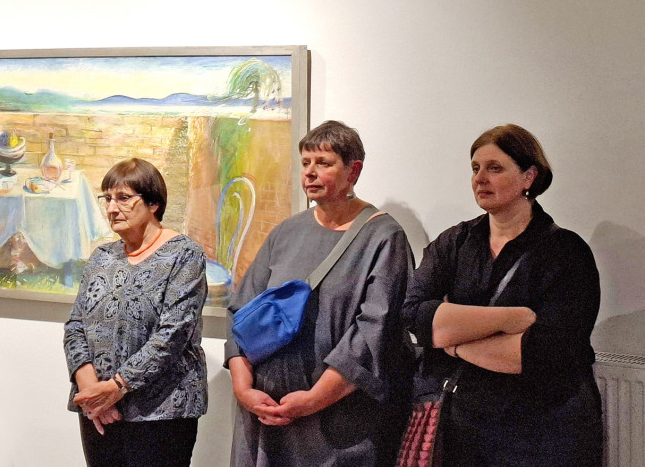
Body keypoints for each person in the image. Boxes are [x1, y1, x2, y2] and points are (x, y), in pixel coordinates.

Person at [401, 124, 603, 466]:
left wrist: (452, 341)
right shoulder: (455, 242)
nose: (480, 179)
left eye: (495, 168)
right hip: (463, 430)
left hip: (541, 434)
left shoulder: (566, 252)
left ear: (529, 177)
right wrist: (510, 319)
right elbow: (413, 314)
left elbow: (542, 355)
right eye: (475, 168)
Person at [225, 120, 415, 466]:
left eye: (324, 163)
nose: (310, 172)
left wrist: (313, 400)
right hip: (266, 414)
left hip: (337, 425)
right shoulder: (286, 232)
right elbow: (241, 312)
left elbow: (374, 334)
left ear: (353, 170)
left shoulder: (383, 237)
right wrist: (244, 389)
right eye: (306, 163)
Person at [63, 158, 208, 467]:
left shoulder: (184, 254)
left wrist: (116, 387)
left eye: (123, 198)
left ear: (153, 203)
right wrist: (91, 390)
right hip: (99, 409)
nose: (112, 208)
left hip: (162, 409)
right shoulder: (102, 256)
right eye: (107, 199)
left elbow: (174, 333)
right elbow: (75, 325)